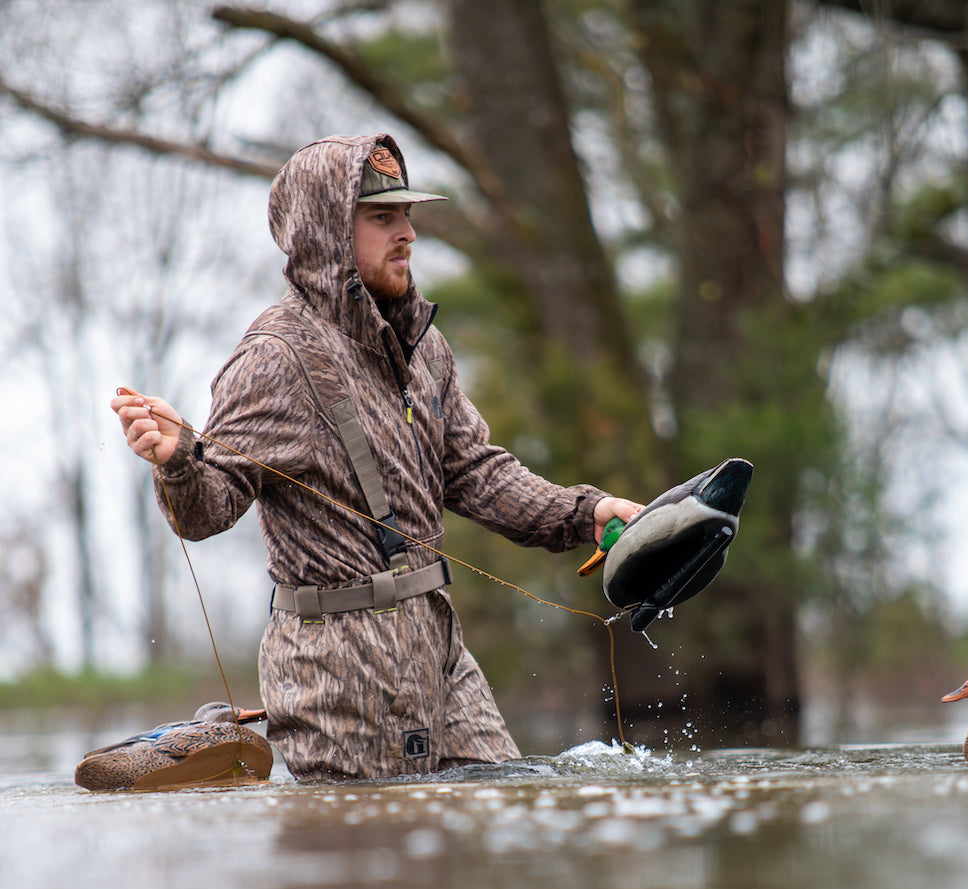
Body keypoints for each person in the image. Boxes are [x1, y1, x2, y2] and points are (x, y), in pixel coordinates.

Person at [112, 133, 642, 781]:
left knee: (501, 806)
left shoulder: (424, 347)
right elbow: (207, 510)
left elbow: (475, 472)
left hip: (436, 643)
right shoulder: (272, 359)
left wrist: (586, 514)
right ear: (327, 231)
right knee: (367, 868)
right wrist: (178, 460)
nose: (408, 234)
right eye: (382, 217)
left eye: (408, 215)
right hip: (337, 671)